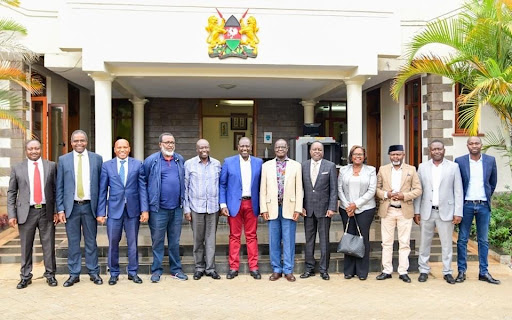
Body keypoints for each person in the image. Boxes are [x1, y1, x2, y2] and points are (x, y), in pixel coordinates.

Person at [7, 140, 58, 289]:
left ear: (40, 149)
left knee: (48, 245)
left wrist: (55, 210)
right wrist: (12, 214)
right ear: (26, 150)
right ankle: (25, 276)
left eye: (36, 148)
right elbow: (11, 192)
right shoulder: (17, 168)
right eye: (30, 149)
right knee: (25, 246)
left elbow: (56, 190)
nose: (34, 151)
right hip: (25, 212)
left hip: (45, 211)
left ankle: (50, 275)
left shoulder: (51, 166)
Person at [96, 139, 149, 285]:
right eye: (119, 147)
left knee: (133, 243)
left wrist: (145, 210)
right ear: (115, 149)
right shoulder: (107, 166)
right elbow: (102, 191)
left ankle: (133, 272)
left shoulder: (138, 165)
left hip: (133, 210)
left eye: (125, 147)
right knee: (113, 243)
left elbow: (142, 188)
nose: (122, 150)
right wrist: (101, 212)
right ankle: (114, 273)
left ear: (129, 148)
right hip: (114, 211)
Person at [56, 130, 103, 287]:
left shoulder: (97, 159)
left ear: (87, 141)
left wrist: (102, 210)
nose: (79, 143)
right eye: (76, 141)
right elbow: (59, 187)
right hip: (72, 208)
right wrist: (60, 209)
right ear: (71, 143)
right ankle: (74, 274)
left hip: (90, 206)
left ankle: (93, 272)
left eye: (82, 140)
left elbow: (101, 187)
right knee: (73, 242)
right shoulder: (63, 160)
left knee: (91, 241)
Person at [414, 140, 463, 284]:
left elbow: (458, 191)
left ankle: (447, 272)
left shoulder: (453, 167)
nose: (437, 151)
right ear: (430, 151)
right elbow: (419, 191)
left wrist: (458, 212)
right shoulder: (422, 167)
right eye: (434, 149)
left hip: (446, 211)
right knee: (424, 243)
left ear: (444, 150)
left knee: (447, 244)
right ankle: (423, 270)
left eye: (439, 149)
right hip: (426, 211)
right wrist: (417, 211)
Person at [143, 132, 188, 282]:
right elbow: (143, 184)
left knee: (175, 241)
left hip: (176, 209)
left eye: (172, 142)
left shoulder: (179, 159)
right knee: (157, 241)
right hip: (158, 209)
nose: (170, 145)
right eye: (167, 142)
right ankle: (156, 270)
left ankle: (176, 269)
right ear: (160, 144)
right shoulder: (151, 161)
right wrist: (145, 208)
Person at [455, 136, 499, 284]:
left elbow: (492, 183)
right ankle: (461, 271)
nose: (474, 145)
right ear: (467, 146)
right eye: (471, 143)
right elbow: (457, 184)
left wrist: (485, 198)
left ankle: (484, 272)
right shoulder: (459, 161)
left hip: (483, 205)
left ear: (481, 145)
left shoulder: (490, 161)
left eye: (477, 143)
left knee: (483, 240)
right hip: (466, 204)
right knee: (462, 239)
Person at [375, 144, 422, 283]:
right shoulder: (383, 169)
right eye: (393, 154)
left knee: (404, 242)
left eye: (398, 154)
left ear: (403, 155)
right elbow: (376, 189)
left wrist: (404, 196)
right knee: (387, 242)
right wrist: (386, 194)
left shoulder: (411, 170)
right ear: (389, 155)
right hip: (388, 209)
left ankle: (403, 271)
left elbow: (418, 189)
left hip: (404, 210)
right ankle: (387, 270)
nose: (396, 157)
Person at [219, 137, 263, 280]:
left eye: (247, 146)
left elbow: (263, 185)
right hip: (233, 205)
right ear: (238, 147)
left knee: (251, 236)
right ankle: (233, 267)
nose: (245, 148)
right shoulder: (228, 162)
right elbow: (222, 185)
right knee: (234, 236)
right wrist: (223, 204)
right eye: (242, 146)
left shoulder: (258, 163)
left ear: (251, 147)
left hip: (252, 203)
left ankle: (254, 267)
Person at [260, 139, 303, 282]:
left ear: (287, 148)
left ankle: (288, 270)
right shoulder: (266, 166)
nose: (280, 149)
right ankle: (276, 269)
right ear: (274, 149)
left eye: (283, 147)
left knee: (289, 240)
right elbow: (263, 189)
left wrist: (298, 208)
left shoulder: (296, 166)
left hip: (289, 208)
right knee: (274, 240)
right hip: (272, 207)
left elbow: (299, 189)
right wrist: (263, 208)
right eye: (278, 147)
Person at [184, 139, 222, 280]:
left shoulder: (217, 164)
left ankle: (210, 269)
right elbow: (185, 188)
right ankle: (199, 267)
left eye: (206, 147)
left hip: (213, 208)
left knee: (211, 239)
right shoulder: (189, 164)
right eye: (201, 147)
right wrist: (187, 209)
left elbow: (220, 186)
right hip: (196, 208)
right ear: (197, 149)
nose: (204, 150)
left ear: (209, 148)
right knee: (198, 240)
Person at [338, 145, 377, 280]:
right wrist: (348, 206)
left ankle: (361, 271)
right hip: (346, 209)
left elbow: (372, 191)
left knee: (362, 238)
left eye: (360, 154)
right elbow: (339, 189)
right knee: (349, 237)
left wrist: (356, 205)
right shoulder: (343, 170)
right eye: (355, 154)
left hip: (365, 209)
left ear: (364, 156)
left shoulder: (371, 170)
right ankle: (349, 270)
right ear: (351, 156)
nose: (358, 156)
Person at [300, 141, 337, 280]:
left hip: (324, 210)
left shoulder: (330, 166)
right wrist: (300, 206)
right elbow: (300, 188)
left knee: (324, 240)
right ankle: (309, 268)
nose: (317, 152)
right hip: (307, 209)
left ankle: (324, 269)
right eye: (314, 149)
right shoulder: (303, 166)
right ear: (310, 151)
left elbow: (334, 189)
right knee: (309, 240)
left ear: (323, 151)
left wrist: (332, 207)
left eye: (319, 149)